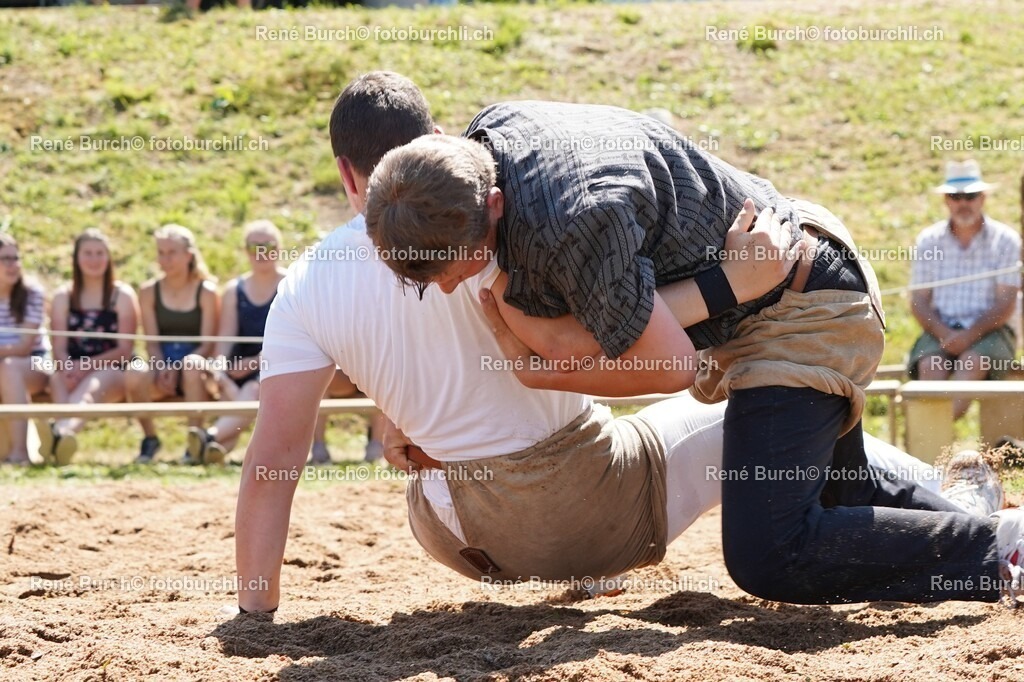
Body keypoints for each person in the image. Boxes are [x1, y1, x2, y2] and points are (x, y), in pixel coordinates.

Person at [234, 72, 1021, 615]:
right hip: (750, 309)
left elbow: (670, 363)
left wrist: (550, 364)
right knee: (824, 484)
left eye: (445, 273)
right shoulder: (476, 173)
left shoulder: (574, 221)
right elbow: (607, 330)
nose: (444, 291)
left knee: (768, 552)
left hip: (798, 301)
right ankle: (993, 531)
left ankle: (999, 554)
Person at [909, 159, 1022, 419]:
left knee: (972, 362)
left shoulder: (1005, 240)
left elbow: (1006, 302)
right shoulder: (928, 240)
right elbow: (918, 300)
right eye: (955, 196)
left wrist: (969, 335)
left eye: (969, 196)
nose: (963, 203)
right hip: (940, 328)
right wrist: (945, 334)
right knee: (930, 366)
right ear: (946, 201)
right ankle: (932, 441)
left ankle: (935, 434)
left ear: (982, 198)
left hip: (992, 330)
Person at [184, 220, 285, 465]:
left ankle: (206, 439)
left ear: (279, 249)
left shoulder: (290, 285)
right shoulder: (233, 290)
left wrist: (252, 364)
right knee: (228, 383)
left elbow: (291, 344)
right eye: (254, 247)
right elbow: (225, 341)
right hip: (237, 372)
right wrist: (220, 371)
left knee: (253, 389)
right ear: (245, 251)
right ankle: (213, 448)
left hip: (272, 370)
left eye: (268, 246)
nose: (261, 252)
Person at [125, 224, 219, 463]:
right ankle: (150, 439)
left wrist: (178, 368)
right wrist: (161, 366)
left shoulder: (207, 292)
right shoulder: (148, 292)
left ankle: (194, 442)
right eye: (161, 252)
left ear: (189, 254)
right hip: (162, 366)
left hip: (197, 369)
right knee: (134, 373)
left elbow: (208, 345)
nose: (165, 259)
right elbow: (152, 342)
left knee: (192, 365)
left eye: (172, 252)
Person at [46, 229, 139, 465]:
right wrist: (68, 367)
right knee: (57, 380)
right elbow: (58, 345)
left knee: (90, 387)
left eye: (100, 253)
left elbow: (124, 349)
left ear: (108, 258)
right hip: (72, 368)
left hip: (115, 369)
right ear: (76, 258)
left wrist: (86, 366)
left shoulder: (123, 295)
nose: (94, 259)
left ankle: (60, 434)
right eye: (87, 253)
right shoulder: (62, 297)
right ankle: (59, 449)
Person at [0, 233, 52, 465]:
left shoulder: (33, 294)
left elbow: (23, 347)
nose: (13, 265)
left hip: (37, 363)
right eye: (4, 259)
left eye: (15, 258)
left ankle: (21, 453)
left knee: (10, 369)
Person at [309, 369, 386, 465]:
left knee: (377, 382)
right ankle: (319, 449)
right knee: (321, 379)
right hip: (339, 378)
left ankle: (376, 448)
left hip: (364, 378)